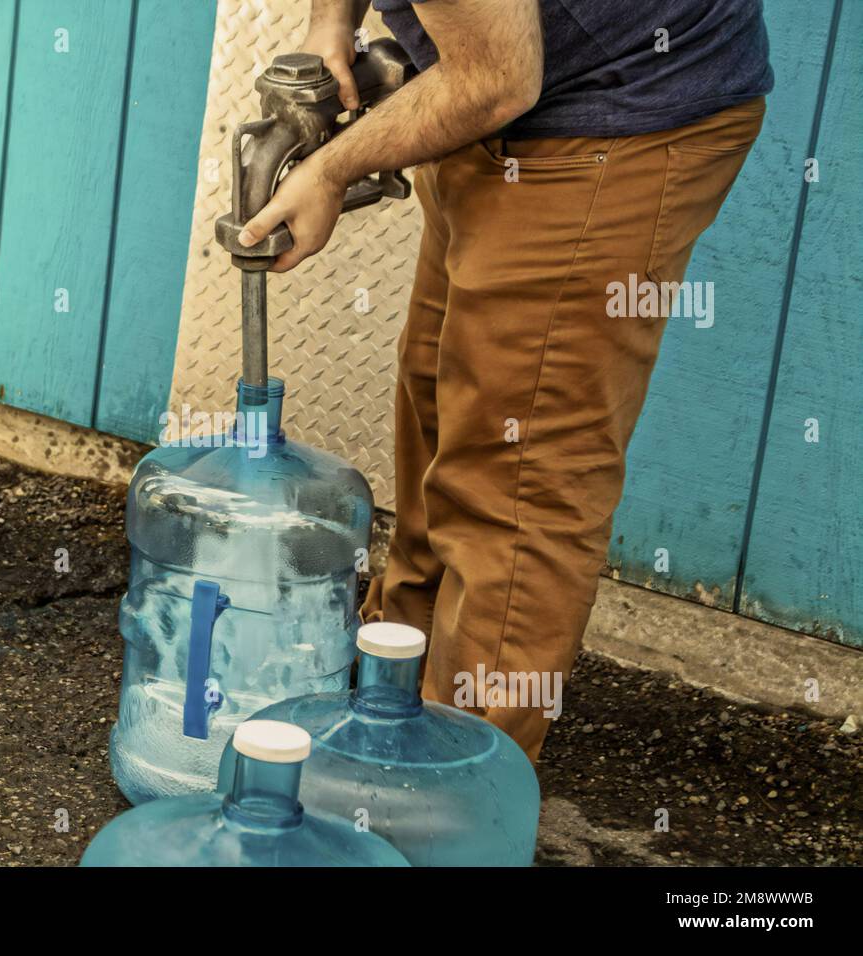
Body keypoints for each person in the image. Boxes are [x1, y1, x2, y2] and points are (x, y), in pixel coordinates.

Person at [237, 0, 773, 761]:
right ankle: (386, 713)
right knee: (438, 412)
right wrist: (334, 22)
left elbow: (496, 81)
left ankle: (453, 792)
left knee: (515, 485)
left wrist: (332, 166)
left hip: (613, 111)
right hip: (503, 94)